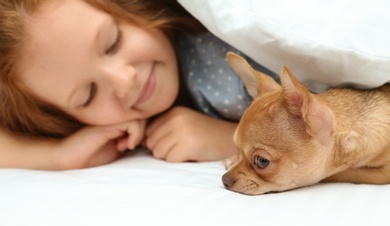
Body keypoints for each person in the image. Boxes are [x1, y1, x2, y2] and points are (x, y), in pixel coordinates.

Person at [0, 0, 276, 170]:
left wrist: (231, 138)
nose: (124, 81)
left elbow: (316, 120)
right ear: (63, 118)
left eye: (113, 42)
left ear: (132, 6)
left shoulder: (225, 64)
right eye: (89, 94)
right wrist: (58, 156)